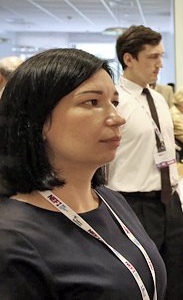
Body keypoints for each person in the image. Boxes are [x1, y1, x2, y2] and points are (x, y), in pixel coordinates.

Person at [0, 48, 167, 299]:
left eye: (114, 102)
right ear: (38, 119)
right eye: (91, 102)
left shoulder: (110, 200)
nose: (117, 118)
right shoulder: (12, 238)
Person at [107, 25, 183, 300]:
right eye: (153, 57)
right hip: (134, 203)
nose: (160, 64)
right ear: (129, 59)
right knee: (142, 280)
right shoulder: (115, 102)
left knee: (176, 277)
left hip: (170, 201)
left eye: (161, 56)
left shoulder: (158, 99)